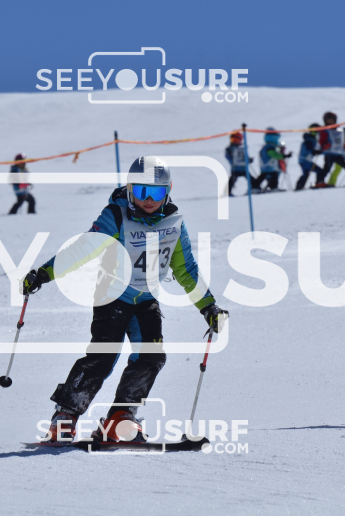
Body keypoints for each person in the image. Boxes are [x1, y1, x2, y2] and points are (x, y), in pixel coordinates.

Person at [20, 156, 228, 443]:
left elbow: (186, 269)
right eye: (141, 191)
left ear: (168, 190)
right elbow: (82, 249)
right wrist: (44, 274)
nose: (149, 200)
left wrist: (208, 306)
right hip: (113, 297)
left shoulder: (174, 224)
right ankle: (65, 415)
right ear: (129, 189)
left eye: (156, 192)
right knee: (103, 357)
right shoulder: (116, 216)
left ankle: (121, 417)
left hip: (146, 301)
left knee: (151, 357)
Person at [313, 111, 345, 188]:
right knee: (327, 168)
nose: (330, 122)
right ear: (325, 121)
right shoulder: (325, 130)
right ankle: (319, 182)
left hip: (338, 153)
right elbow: (321, 141)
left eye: (332, 120)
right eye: (328, 120)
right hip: (329, 153)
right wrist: (320, 148)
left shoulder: (340, 130)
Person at [253, 127, 288, 192]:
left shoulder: (269, 146)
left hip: (268, 165)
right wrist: (283, 156)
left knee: (269, 175)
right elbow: (274, 155)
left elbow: (276, 153)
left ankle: (271, 187)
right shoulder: (269, 147)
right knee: (265, 176)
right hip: (267, 165)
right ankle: (256, 187)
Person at [296, 124, 321, 190]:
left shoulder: (311, 139)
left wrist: (316, 151)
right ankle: (318, 183)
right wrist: (314, 152)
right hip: (305, 160)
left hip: (305, 160)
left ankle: (299, 186)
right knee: (318, 171)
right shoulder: (309, 140)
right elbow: (309, 149)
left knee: (306, 173)